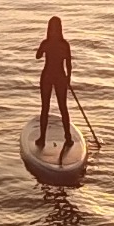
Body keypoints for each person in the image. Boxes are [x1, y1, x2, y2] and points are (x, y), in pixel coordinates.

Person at [34, 17, 77, 151]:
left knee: (60, 107)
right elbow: (68, 63)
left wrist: (68, 77)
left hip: (52, 76)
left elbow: (38, 56)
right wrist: (68, 77)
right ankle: (50, 137)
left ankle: (66, 137)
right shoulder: (64, 44)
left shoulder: (48, 43)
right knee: (48, 107)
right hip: (55, 76)